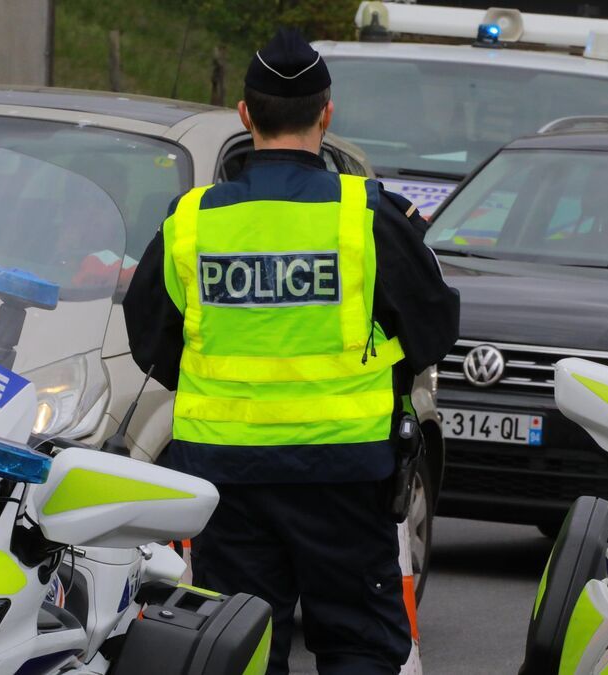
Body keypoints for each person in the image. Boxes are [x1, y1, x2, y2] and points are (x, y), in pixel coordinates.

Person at [124, 28, 459, 675]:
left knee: (238, 646)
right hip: (345, 475)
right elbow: (433, 328)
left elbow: (150, 339)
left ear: (245, 115)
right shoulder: (364, 216)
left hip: (225, 478)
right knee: (359, 643)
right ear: (326, 115)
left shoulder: (192, 220)